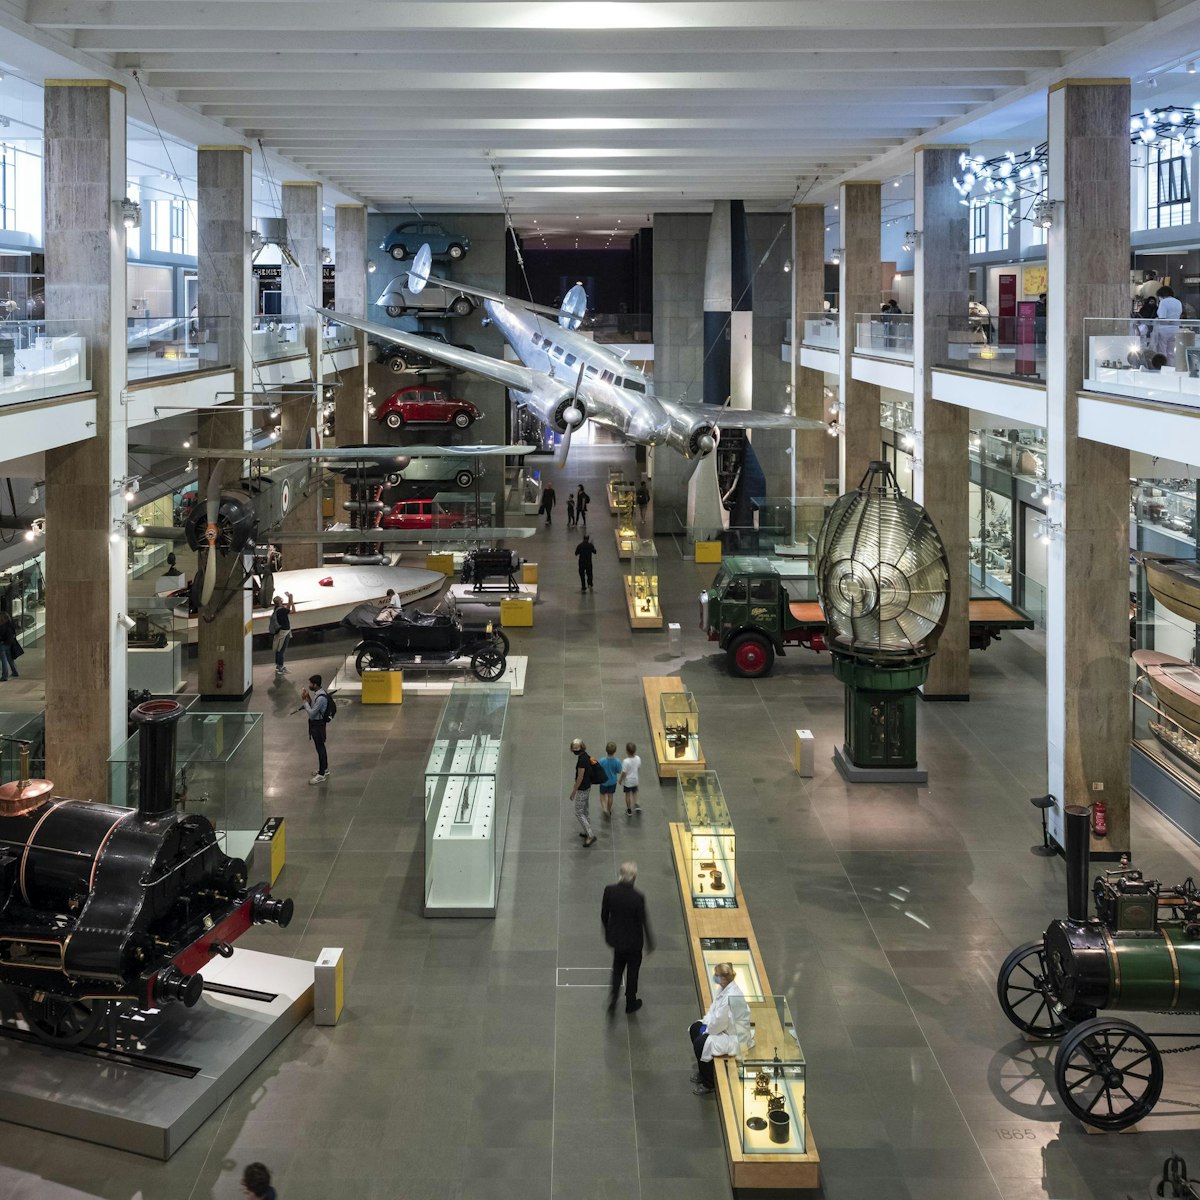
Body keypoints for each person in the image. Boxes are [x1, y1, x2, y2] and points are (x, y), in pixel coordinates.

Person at [689, 962, 753, 1096]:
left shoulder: (731, 996)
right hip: (720, 1027)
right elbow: (714, 1009)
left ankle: (709, 1083)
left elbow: (720, 1021)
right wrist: (706, 1023)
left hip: (732, 1036)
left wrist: (707, 1030)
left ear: (724, 978)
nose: (715, 977)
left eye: (717, 975)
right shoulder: (723, 988)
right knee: (695, 1028)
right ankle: (703, 1071)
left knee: (700, 1044)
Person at [601, 861, 654, 1016]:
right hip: (634, 942)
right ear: (634, 877)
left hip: (617, 940)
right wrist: (650, 942)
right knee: (632, 972)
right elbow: (643, 921)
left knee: (617, 969)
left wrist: (609, 931)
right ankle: (630, 1002)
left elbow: (604, 915)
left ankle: (613, 998)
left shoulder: (609, 891)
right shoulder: (638, 897)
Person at [302, 674, 331, 784]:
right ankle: (325, 768)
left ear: (316, 684)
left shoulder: (321, 698)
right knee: (320, 747)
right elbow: (314, 707)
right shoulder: (318, 694)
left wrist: (304, 702)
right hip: (316, 724)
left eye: (311, 684)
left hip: (318, 725)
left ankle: (321, 774)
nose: (309, 685)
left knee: (320, 748)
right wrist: (308, 698)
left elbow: (312, 714)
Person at [569, 737, 597, 846]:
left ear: (581, 747)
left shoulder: (581, 760)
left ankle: (590, 835)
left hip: (582, 789)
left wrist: (573, 791)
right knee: (584, 810)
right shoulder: (585, 755)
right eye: (574, 748)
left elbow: (580, 777)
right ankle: (587, 830)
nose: (575, 749)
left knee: (579, 812)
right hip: (587, 786)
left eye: (577, 747)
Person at [270, 592, 296, 675]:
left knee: (278, 650)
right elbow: (293, 611)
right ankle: (281, 667)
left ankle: (278, 666)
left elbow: (287, 609)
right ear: (280, 601)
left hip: (279, 632)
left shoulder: (277, 609)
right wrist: (291, 600)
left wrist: (289, 599)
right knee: (281, 650)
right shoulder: (281, 610)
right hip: (284, 632)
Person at [1155, 285, 1183, 360]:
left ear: (1161, 295)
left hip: (1164, 329)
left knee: (1162, 350)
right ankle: (1170, 367)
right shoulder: (1178, 302)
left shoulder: (1163, 302)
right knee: (1171, 352)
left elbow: (1162, 317)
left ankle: (1163, 367)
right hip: (1175, 329)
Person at [598, 740, 621, 819]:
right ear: (615, 751)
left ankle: (604, 808)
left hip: (603, 781)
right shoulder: (617, 761)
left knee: (602, 795)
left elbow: (598, 769)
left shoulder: (602, 760)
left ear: (606, 750)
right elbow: (619, 771)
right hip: (613, 782)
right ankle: (608, 809)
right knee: (610, 796)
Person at [619, 741, 641, 817]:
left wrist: (620, 780)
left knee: (627, 795)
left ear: (627, 751)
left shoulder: (626, 761)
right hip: (635, 779)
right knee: (635, 792)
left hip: (628, 782)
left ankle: (629, 810)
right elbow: (638, 768)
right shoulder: (638, 758)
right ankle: (637, 804)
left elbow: (623, 773)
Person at [0, 610, 18, 682]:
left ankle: (5, 676)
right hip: (9, 643)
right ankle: (14, 672)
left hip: (2, 644)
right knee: (10, 658)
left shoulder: (2, 626)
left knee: (3, 660)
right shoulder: (10, 624)